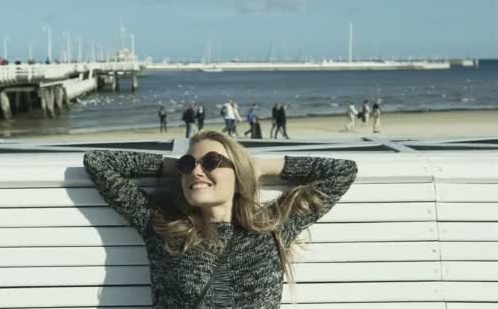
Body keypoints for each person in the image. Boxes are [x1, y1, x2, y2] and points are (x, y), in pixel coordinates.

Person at [83, 130, 358, 308]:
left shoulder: (273, 227)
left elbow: (343, 171)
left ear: (239, 175)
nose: (197, 172)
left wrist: (257, 167)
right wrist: (175, 167)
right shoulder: (163, 226)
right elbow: (98, 163)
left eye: (212, 161)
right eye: (189, 164)